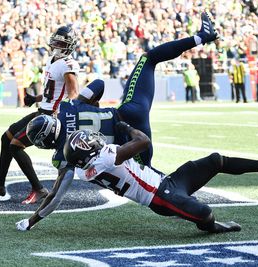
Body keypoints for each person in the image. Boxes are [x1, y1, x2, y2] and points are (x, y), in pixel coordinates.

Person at [16, 12, 220, 229]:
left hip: (133, 150)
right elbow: (98, 84)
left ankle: (190, 207)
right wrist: (91, 105)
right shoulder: (67, 106)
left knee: (156, 188)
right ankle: (201, 37)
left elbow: (55, 197)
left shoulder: (63, 157)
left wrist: (31, 222)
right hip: (130, 116)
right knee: (148, 59)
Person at [16, 124, 258, 232]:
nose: (95, 141)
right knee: (205, 213)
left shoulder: (83, 167)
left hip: (169, 182)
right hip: (161, 197)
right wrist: (127, 127)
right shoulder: (103, 158)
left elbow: (55, 196)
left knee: (215, 160)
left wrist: (31, 221)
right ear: (86, 153)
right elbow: (143, 141)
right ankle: (211, 227)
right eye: (89, 142)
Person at [0, 25, 80, 204]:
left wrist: (64, 116)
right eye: (55, 40)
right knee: (6, 138)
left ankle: (38, 189)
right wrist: (36, 98)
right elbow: (52, 91)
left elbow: (74, 95)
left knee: (16, 145)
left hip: (51, 117)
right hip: (42, 111)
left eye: (60, 42)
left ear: (69, 45)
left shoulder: (68, 65)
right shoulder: (52, 59)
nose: (56, 44)